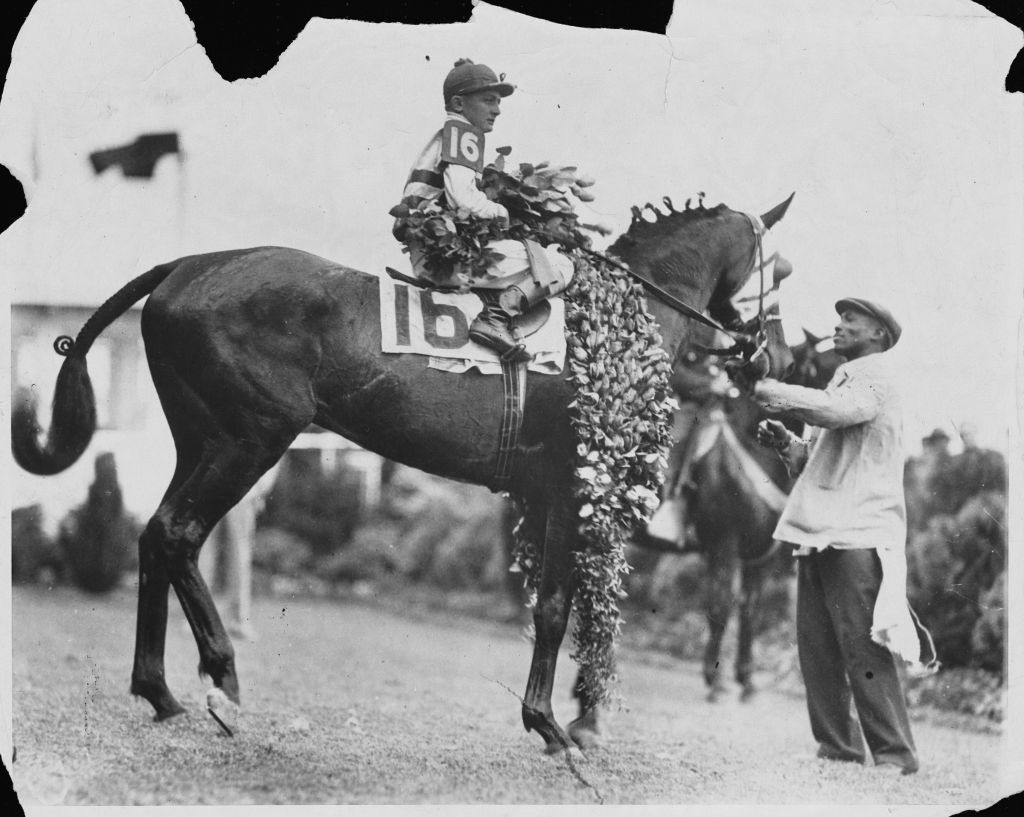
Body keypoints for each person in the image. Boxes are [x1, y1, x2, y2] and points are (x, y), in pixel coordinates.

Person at [752, 297, 936, 776]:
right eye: (840, 317)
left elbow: (835, 413)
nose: (839, 325)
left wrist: (770, 389)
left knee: (861, 645)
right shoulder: (847, 378)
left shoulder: (873, 374)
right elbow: (812, 464)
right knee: (818, 645)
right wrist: (787, 444)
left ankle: (895, 753)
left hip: (858, 531)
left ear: (878, 334)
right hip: (824, 529)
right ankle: (837, 747)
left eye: (851, 320)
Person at [392, 58, 575, 361]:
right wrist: (503, 215)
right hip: (444, 262)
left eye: (499, 102)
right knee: (560, 265)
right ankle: (495, 319)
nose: (497, 109)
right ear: (459, 103)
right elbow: (463, 201)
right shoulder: (463, 133)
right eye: (489, 100)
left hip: (431, 254)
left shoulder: (445, 137)